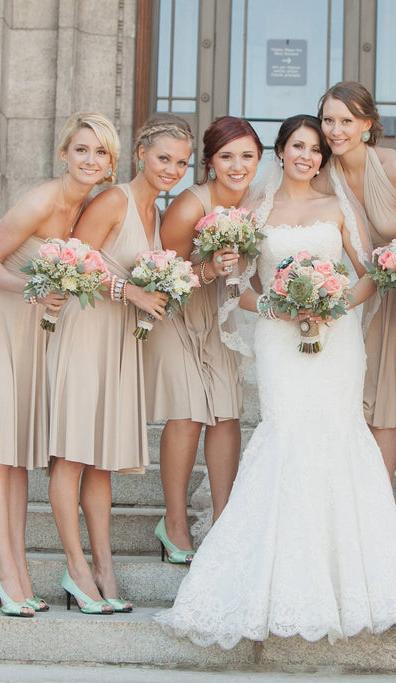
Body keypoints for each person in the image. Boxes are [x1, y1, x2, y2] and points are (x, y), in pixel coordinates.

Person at [154, 115, 396, 649]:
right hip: (278, 336)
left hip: (337, 339)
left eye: (315, 148)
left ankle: (352, 579)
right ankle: (276, 578)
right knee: (284, 433)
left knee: (340, 433)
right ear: (280, 153)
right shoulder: (252, 214)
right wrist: (275, 306)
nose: (306, 156)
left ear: (321, 158)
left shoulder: (337, 208)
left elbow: (369, 274)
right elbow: (234, 283)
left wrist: (333, 306)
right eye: (296, 147)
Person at [0, 113, 118, 617]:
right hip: (0, 326)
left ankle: (14, 570)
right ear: (64, 154)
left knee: (17, 454)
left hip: (36, 335)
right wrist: (37, 289)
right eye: (81, 149)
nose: (90, 160)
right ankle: (8, 571)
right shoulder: (41, 201)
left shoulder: (88, 208)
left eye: (101, 152)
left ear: (110, 164)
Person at [45, 114, 193, 614]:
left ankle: (105, 565)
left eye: (181, 162)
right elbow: (72, 264)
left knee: (102, 460)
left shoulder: (154, 214)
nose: (172, 169)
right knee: (71, 455)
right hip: (86, 333)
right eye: (163, 158)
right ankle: (77, 566)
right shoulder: (114, 200)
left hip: (121, 341)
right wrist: (127, 289)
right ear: (140, 155)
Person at [318, 82, 396, 522]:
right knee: (375, 406)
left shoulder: (395, 168)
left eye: (346, 120)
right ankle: (376, 514)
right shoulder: (321, 174)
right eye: (329, 120)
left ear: (367, 124)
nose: (335, 129)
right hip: (362, 298)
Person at [147, 117, 263, 562]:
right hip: (177, 315)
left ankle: (224, 519)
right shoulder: (189, 205)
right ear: (210, 162)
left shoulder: (257, 203)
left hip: (219, 318)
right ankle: (173, 523)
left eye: (247, 156)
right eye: (226, 157)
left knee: (227, 414)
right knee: (189, 413)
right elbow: (162, 275)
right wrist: (210, 269)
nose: (238, 166)